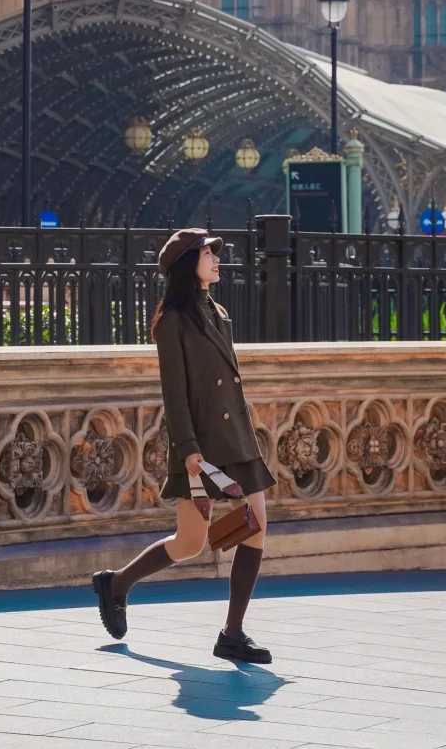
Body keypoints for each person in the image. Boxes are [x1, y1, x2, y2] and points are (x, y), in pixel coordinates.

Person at [92, 227, 276, 663]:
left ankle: (232, 633)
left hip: (235, 440)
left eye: (216, 252)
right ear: (185, 263)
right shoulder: (171, 322)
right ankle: (116, 584)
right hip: (201, 446)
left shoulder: (219, 313)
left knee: (256, 525)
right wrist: (189, 450)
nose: (216, 258)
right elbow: (174, 392)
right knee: (192, 541)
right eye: (208, 252)